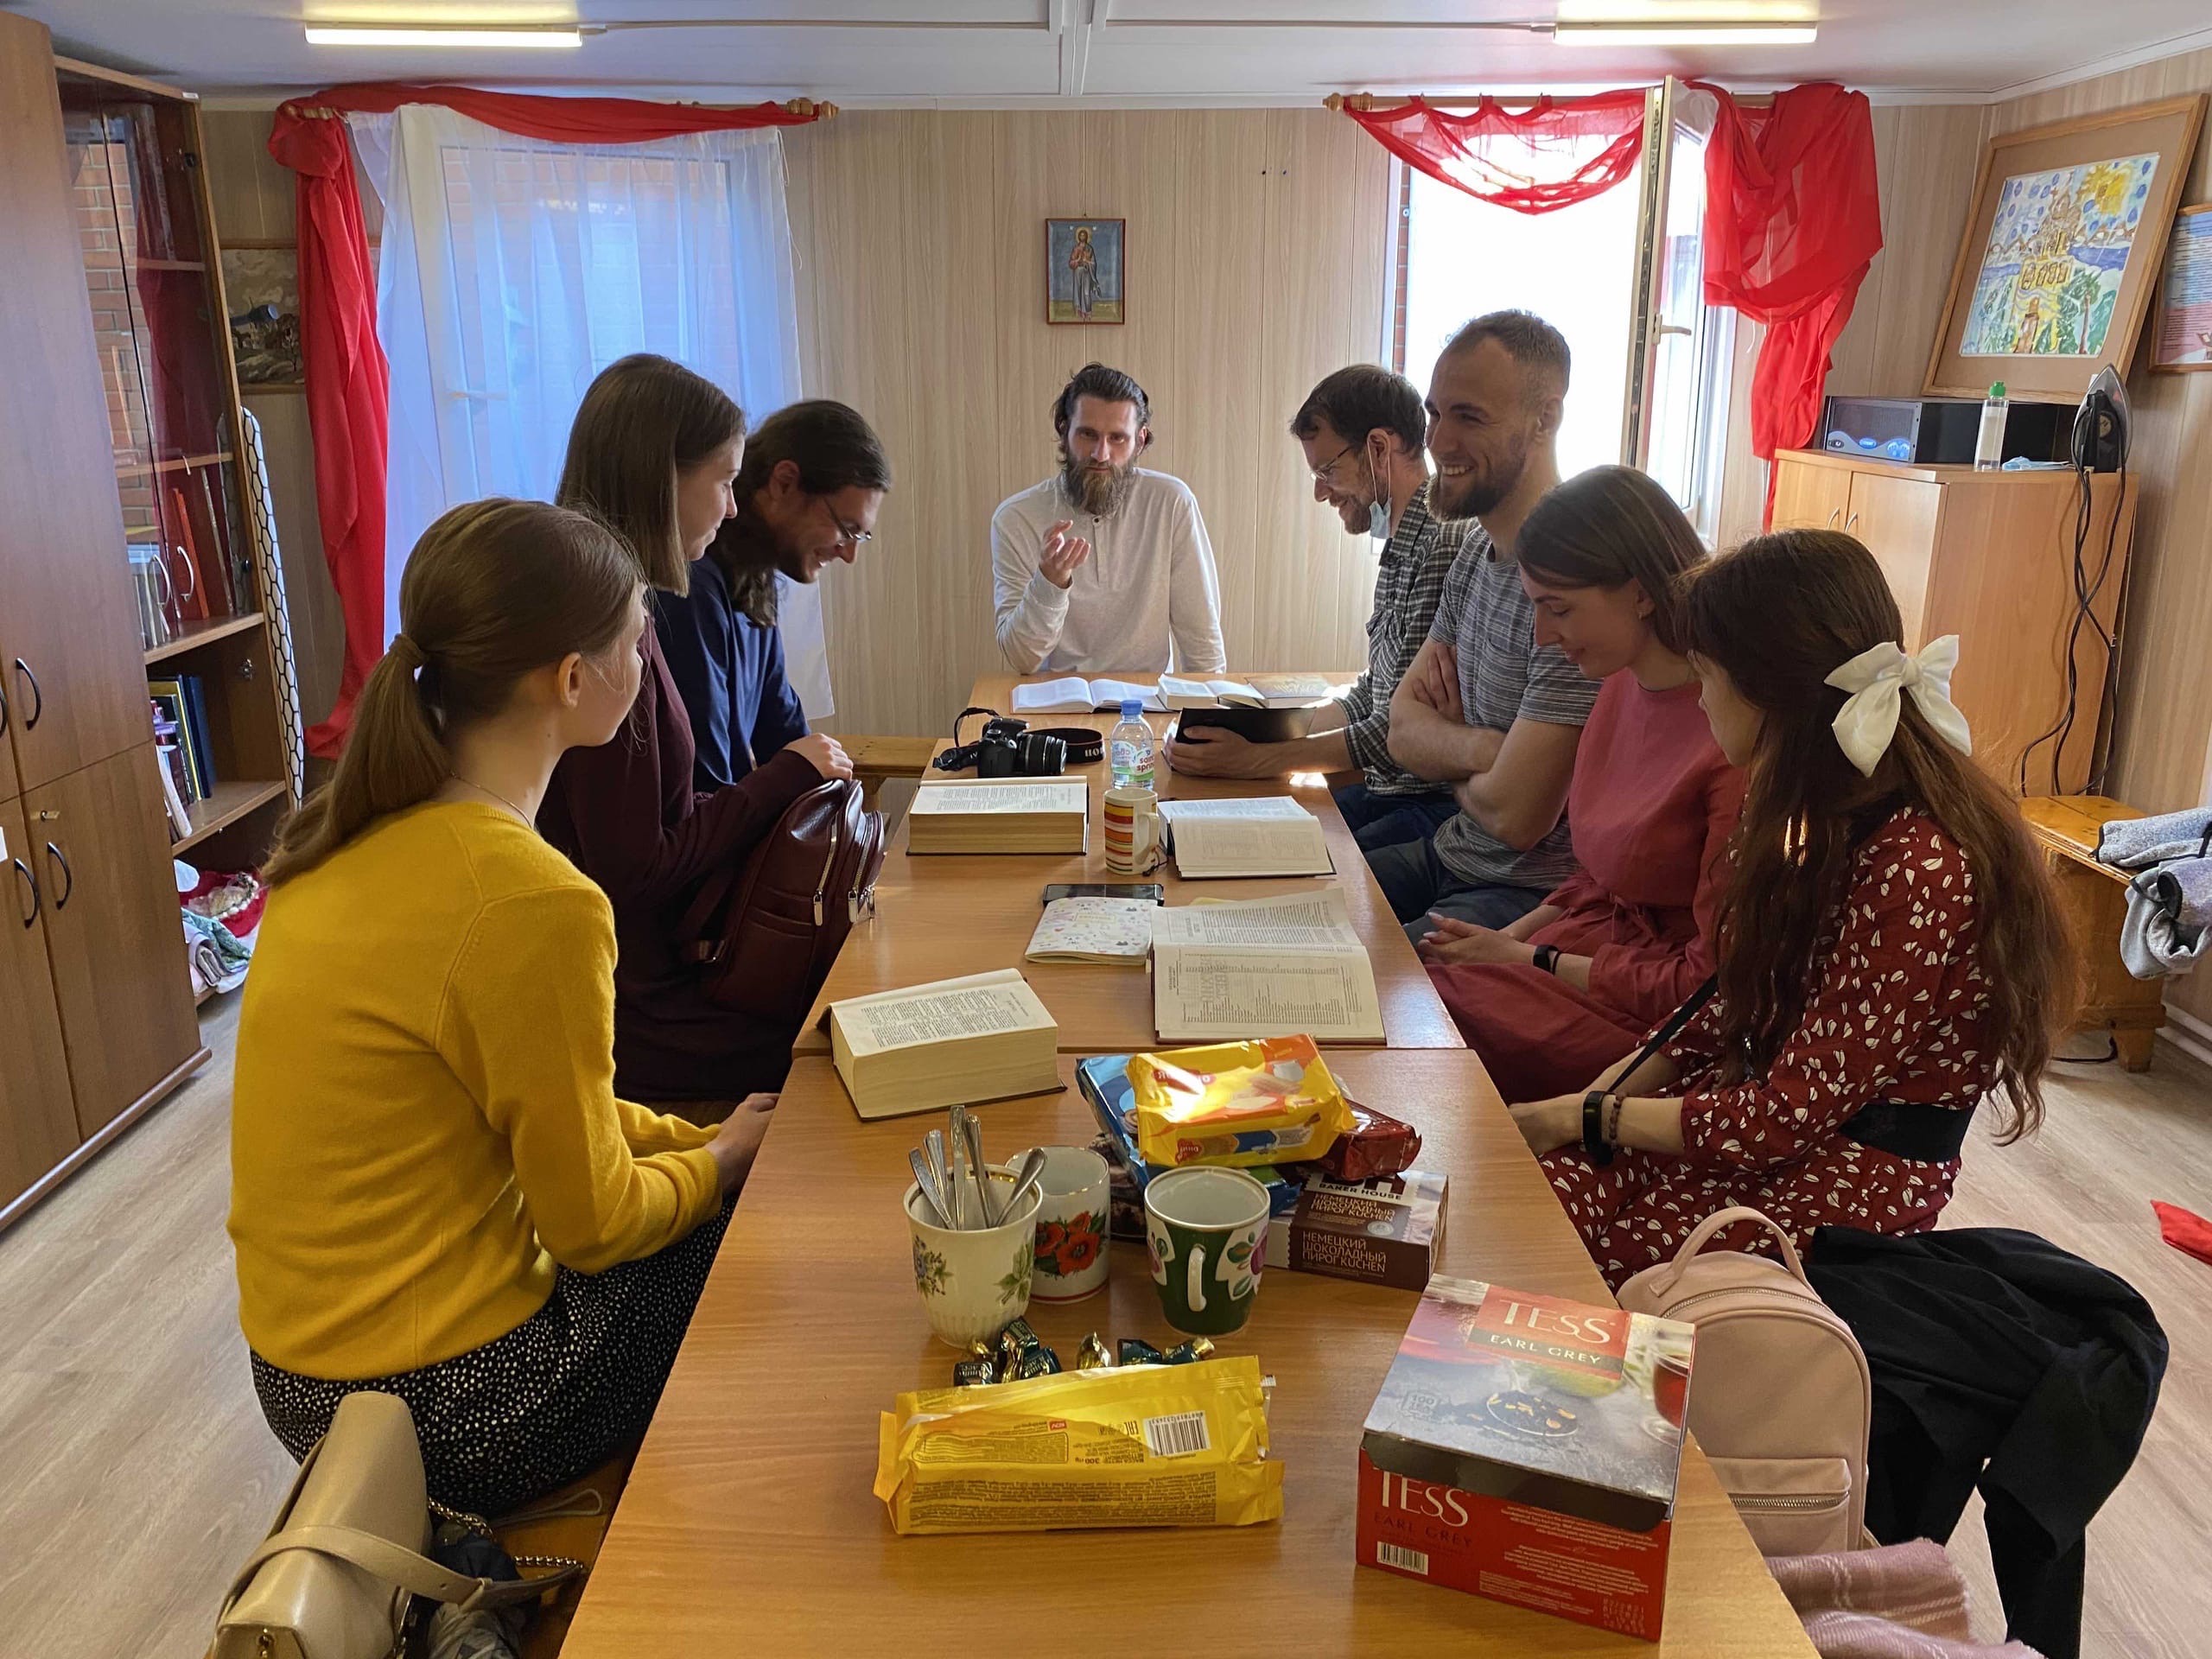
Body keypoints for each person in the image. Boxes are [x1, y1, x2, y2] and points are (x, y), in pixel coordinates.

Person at [231, 499, 770, 1516]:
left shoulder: (342, 837)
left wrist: (703, 1141)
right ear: (571, 680)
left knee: (718, 1191)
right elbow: (595, 1225)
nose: (646, 658)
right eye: (636, 641)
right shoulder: (529, 901)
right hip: (440, 1405)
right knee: (748, 1247)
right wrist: (721, 1168)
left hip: (304, 1386)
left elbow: (548, 1114)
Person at [1510, 531, 2073, 1290]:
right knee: (1534, 1203)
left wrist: (1584, 1116)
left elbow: (1788, 1115)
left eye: (1707, 675)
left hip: (1848, 1175)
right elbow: (1727, 1006)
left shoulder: (1920, 867)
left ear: (1767, 691)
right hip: (1754, 1126)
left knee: (1590, 1268)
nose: (1699, 698)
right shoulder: (1818, 812)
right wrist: (1595, 1102)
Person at [539, 355, 853, 1107]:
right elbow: (639, 869)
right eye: (723, 481)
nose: (734, 508)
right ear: (660, 478)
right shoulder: (605, 633)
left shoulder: (620, 606)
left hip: (653, 967)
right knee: (835, 1039)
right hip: (638, 1002)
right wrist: (788, 775)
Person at [1418, 466, 1743, 1100]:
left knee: (1422, 1016)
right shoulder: (1618, 682)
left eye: (1558, 608)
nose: (1543, 636)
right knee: (1414, 983)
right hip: (1583, 950)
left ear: (1641, 593)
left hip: (1648, 1008)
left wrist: (1526, 956)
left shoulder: (1731, 736)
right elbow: (1599, 874)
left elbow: (1704, 988)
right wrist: (1510, 938)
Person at [1165, 364, 1466, 853]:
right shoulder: (1403, 540)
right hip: (1383, 791)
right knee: (1211, 829)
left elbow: (1397, 729)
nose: (1320, 491)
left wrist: (1257, 761)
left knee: (1268, 858)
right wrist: (1268, 733)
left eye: (1327, 471)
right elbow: (1374, 693)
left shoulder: (1441, 544)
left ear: (1378, 448)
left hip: (1422, 805)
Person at [1376, 311, 1598, 942]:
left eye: (1469, 417)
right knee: (1284, 914)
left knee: (1352, 984)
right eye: (1434, 414)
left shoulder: (1574, 582)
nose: (1439, 441)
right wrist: (1485, 751)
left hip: (1526, 894)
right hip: (1453, 850)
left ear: (1546, 419)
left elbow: (1519, 816)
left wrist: (1446, 750)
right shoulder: (1475, 551)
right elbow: (1400, 730)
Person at [658, 399, 891, 791]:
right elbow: (706, 790)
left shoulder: (753, 574)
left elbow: (783, 732)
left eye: (860, 536)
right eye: (847, 529)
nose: (849, 554)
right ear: (784, 483)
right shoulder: (693, 588)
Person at [991, 363, 1226, 676]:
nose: (1101, 454)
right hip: (1057, 698)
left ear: (1139, 441)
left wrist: (1208, 706)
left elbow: (1202, 640)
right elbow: (1023, 659)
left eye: (1117, 438)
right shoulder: (1016, 518)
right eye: (1088, 435)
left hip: (1149, 699)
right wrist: (1049, 583)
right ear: (1064, 430)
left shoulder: (1171, 503)